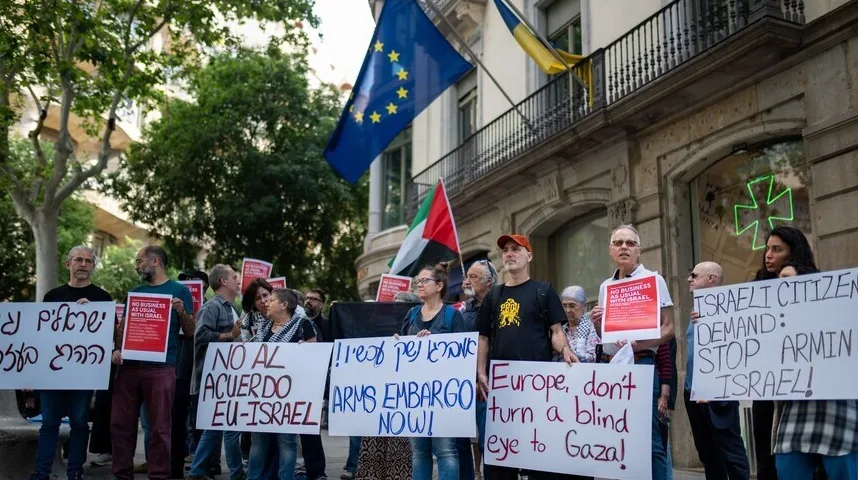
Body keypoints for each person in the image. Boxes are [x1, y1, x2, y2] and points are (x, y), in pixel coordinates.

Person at [477, 234, 578, 480]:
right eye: (505, 251)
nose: (509, 254)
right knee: (501, 462)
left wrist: (564, 349)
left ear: (529, 256)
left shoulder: (543, 291)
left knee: (538, 457)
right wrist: (481, 371)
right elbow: (483, 339)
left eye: (515, 249)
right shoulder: (493, 296)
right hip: (502, 389)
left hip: (536, 388)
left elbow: (556, 332)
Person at [590, 224, 675, 480]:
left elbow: (669, 328)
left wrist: (638, 345)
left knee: (649, 438)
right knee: (618, 438)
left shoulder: (653, 280)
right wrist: (597, 324)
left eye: (629, 243)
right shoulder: (606, 287)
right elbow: (607, 336)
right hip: (611, 366)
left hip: (640, 364)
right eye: (618, 243)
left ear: (639, 250)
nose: (624, 247)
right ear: (610, 251)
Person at [111, 246, 194, 480]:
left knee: (159, 428)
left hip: (161, 367)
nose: (136, 266)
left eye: (139, 261)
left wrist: (181, 312)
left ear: (154, 261)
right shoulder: (135, 292)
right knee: (120, 425)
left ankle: (159, 475)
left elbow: (190, 332)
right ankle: (121, 474)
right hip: (128, 367)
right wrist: (117, 349)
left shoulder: (179, 291)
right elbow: (123, 327)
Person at [29, 245, 112, 480]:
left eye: (88, 261)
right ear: (69, 264)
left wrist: (92, 313)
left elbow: (110, 335)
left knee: (79, 422)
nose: (83, 264)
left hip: (83, 375)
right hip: (53, 373)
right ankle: (42, 472)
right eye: (78, 260)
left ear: (93, 266)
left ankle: (75, 471)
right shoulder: (52, 296)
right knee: (48, 424)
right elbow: (41, 335)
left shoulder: (102, 298)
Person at [772, 257, 858, 478]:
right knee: (788, 469)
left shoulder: (839, 312)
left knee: (843, 472)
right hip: (796, 411)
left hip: (837, 410)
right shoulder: (773, 319)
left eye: (786, 278)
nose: (779, 282)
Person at [750, 227, 814, 480]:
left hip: (799, 389)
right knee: (766, 456)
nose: (769, 255)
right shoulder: (758, 288)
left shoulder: (812, 286)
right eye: (767, 248)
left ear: (793, 253)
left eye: (777, 250)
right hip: (765, 387)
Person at [396, 264, 466, 480]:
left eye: (425, 280)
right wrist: (398, 343)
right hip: (415, 394)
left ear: (439, 286)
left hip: (443, 395)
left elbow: (462, 355)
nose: (419, 284)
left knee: (445, 450)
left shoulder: (452, 316)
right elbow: (402, 350)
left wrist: (436, 343)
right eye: (418, 280)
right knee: (419, 452)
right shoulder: (412, 313)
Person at [685, 261, 750, 480]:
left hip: (718, 393)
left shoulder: (730, 310)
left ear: (711, 278)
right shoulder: (696, 311)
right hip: (693, 392)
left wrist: (713, 385)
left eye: (694, 275)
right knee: (707, 453)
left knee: (730, 450)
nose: (689, 279)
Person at [246, 288, 317, 480]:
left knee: (287, 442)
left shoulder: (303, 326)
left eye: (272, 300)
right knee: (258, 443)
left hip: (289, 397)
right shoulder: (263, 327)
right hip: (263, 394)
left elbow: (314, 358)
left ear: (284, 305)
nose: (266, 303)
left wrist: (305, 351)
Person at [187, 264, 245, 480]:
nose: (237, 280)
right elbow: (200, 335)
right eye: (233, 276)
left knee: (217, 426)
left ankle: (197, 470)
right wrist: (229, 335)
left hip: (225, 379)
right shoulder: (212, 307)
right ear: (223, 281)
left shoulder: (231, 307)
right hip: (210, 379)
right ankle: (202, 471)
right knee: (217, 425)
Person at [353, 291, 417, 480]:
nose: (394, 308)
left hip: (403, 393)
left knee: (400, 440)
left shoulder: (412, 324)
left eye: (399, 305)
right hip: (379, 390)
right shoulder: (377, 324)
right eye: (393, 304)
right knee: (373, 437)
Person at [460, 259, 498, 480]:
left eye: (473, 277)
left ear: (489, 281)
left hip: (490, 384)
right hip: (466, 385)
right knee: (462, 442)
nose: (466, 281)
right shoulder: (464, 311)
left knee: (488, 442)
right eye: (468, 276)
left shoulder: (500, 306)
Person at [173, 269, 210, 477]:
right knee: (177, 417)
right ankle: (176, 464)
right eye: (183, 282)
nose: (186, 285)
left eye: (191, 281)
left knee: (200, 420)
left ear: (204, 284)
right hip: (178, 369)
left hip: (201, 371)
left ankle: (201, 464)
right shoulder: (174, 303)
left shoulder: (210, 307)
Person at [298, 288, 329, 480]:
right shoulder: (296, 322)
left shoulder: (328, 325)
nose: (309, 301)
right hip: (296, 381)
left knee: (311, 429)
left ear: (321, 304)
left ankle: (316, 471)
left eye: (314, 299)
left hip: (316, 382)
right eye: (307, 298)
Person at [554, 286, 599, 363]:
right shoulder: (560, 331)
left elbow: (593, 358)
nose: (568, 310)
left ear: (583, 305)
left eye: (572, 306)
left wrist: (568, 353)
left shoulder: (593, 328)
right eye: (564, 306)